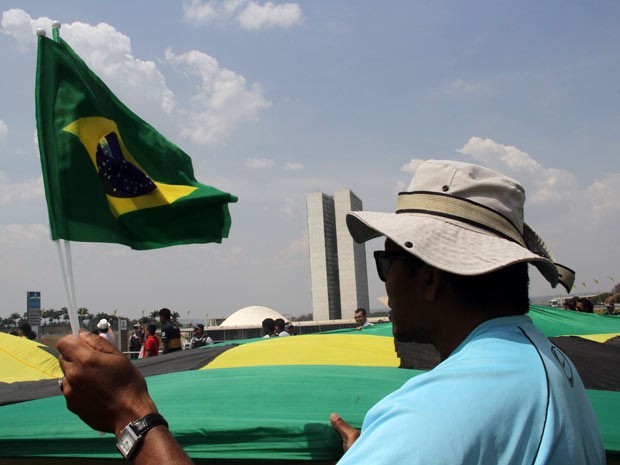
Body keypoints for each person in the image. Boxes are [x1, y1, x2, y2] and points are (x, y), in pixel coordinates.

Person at [55, 159, 605, 464]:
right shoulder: (548, 364)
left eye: (389, 263)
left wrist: (132, 417)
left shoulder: (438, 411)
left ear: (431, 278)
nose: (383, 284)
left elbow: (450, 427)